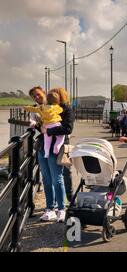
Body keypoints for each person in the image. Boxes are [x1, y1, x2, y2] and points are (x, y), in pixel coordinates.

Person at [28, 87, 74, 223]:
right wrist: (36, 126)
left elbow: (68, 128)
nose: (48, 97)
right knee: (46, 180)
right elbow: (42, 127)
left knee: (57, 179)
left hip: (56, 148)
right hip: (43, 147)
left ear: (60, 96)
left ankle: (61, 209)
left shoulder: (66, 110)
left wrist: (48, 131)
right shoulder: (46, 108)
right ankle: (50, 209)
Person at [25, 92, 65, 158]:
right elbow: (61, 110)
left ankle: (46, 152)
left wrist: (26, 107)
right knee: (61, 137)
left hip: (46, 125)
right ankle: (57, 146)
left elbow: (34, 109)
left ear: (46, 100)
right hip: (56, 124)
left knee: (47, 141)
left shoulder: (42, 107)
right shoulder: (57, 107)